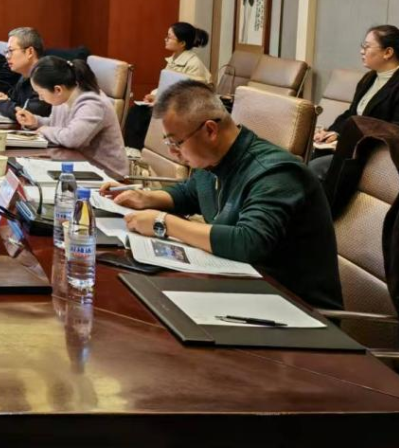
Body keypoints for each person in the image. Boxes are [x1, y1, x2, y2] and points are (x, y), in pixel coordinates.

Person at [109, 80, 342, 310]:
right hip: (241, 288)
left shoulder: (276, 173)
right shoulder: (214, 160)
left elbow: (248, 242)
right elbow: (190, 193)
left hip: (293, 307)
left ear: (210, 130)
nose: (172, 151)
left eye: (175, 142)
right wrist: (146, 198)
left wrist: (163, 223)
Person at [16, 56, 128, 176]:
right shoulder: (63, 97)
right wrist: (36, 122)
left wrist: (43, 130)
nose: (40, 98)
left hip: (106, 174)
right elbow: (57, 127)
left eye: (41, 93)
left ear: (58, 90)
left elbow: (71, 138)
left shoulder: (93, 104)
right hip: (78, 163)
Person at [315, 25, 399, 148]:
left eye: (367, 46)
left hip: (379, 154)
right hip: (353, 147)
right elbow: (352, 114)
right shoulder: (369, 78)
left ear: (388, 53)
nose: (362, 51)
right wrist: (334, 132)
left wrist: (346, 141)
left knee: (316, 160)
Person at [125, 21, 213, 149]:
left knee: (143, 116)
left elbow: (191, 94)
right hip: (169, 103)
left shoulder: (194, 64)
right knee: (136, 111)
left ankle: (136, 150)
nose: (165, 39)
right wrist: (154, 95)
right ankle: (132, 150)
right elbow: (167, 84)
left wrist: (159, 98)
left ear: (182, 43)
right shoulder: (174, 58)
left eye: (169, 37)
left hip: (185, 109)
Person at [0, 26, 52, 120]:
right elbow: (13, 101)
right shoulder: (24, 76)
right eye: (6, 51)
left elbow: (26, 114)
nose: (7, 56)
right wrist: (0, 98)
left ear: (30, 52)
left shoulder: (46, 76)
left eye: (10, 51)